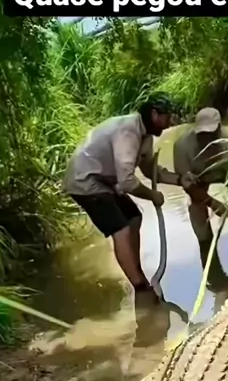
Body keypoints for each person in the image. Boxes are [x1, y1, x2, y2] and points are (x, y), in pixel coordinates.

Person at [63, 94, 195, 295]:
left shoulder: (146, 136)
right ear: (154, 114)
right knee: (121, 229)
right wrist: (152, 195)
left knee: (134, 217)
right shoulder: (128, 131)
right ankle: (140, 287)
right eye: (168, 117)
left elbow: (150, 170)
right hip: (85, 180)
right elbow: (126, 182)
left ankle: (136, 271)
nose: (170, 122)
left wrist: (179, 180)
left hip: (104, 180)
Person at [173, 107, 228, 255]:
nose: (206, 139)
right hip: (198, 178)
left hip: (224, 172)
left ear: (219, 128)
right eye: (202, 134)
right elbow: (187, 186)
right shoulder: (182, 146)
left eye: (211, 134)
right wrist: (213, 204)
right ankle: (206, 246)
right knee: (198, 214)